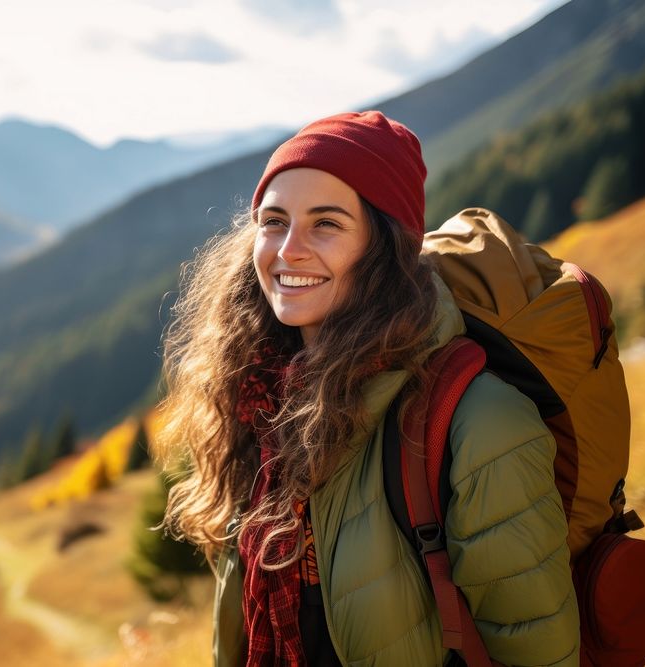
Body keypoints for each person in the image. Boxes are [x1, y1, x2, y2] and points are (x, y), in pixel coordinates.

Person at [158, 111, 579, 666]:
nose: (288, 251)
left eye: (326, 224)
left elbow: (536, 649)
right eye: (274, 220)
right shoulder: (260, 398)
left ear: (384, 248)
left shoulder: (478, 421)